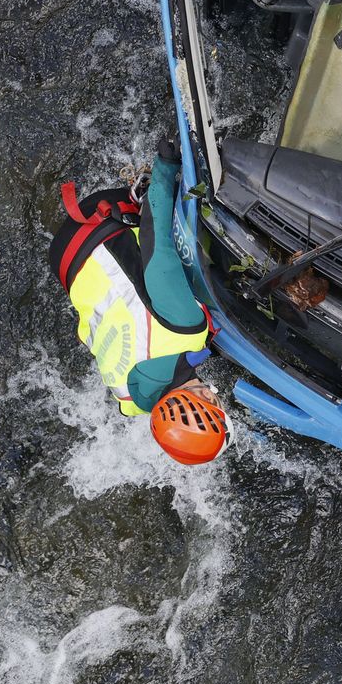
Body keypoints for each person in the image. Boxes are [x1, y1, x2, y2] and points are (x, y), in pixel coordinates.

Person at [49, 139, 230, 465]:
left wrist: (165, 167)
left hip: (95, 220)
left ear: (206, 395)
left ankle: (144, 188)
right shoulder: (131, 401)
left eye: (216, 402)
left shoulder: (185, 330)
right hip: (64, 264)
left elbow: (158, 243)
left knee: (178, 241)